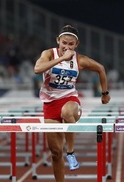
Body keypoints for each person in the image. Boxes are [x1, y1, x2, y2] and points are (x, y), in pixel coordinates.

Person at [34, 25, 111, 182]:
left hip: (70, 100)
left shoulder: (79, 59)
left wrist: (104, 94)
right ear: (58, 41)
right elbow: (37, 68)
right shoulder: (49, 54)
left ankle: (70, 152)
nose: (67, 47)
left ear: (76, 45)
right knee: (55, 153)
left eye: (71, 44)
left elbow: (101, 69)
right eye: (64, 43)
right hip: (50, 104)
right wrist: (62, 58)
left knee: (68, 113)